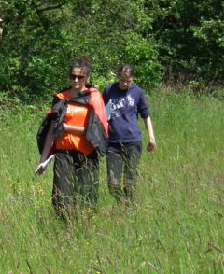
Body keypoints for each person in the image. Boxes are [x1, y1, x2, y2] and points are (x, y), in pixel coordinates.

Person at [36, 57, 108, 219]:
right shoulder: (62, 97)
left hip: (87, 154)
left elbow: (96, 131)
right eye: (73, 76)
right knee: (60, 197)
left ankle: (85, 228)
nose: (76, 80)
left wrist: (67, 128)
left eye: (80, 77)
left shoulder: (94, 97)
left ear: (87, 78)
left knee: (86, 197)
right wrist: (43, 160)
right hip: (63, 154)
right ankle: (66, 227)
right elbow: (51, 131)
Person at [102, 65, 156, 203]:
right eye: (122, 80)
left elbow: (145, 115)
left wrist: (151, 137)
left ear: (132, 79)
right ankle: (122, 202)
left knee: (129, 181)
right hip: (113, 144)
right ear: (118, 77)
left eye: (128, 81)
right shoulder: (109, 90)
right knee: (113, 183)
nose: (125, 84)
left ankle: (129, 208)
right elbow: (103, 115)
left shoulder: (137, 92)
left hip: (133, 141)